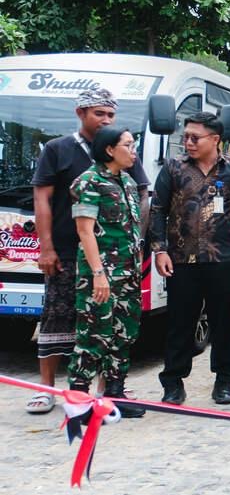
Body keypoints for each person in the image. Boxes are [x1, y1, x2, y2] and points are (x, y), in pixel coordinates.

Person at [26, 88, 149, 414]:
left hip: (118, 257)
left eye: (110, 114)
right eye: (99, 113)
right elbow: (43, 200)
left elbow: (142, 195)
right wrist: (46, 247)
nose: (106, 119)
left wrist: (138, 246)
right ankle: (48, 391)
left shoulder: (122, 163)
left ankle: (108, 396)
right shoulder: (59, 150)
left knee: (116, 327)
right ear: (80, 113)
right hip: (71, 251)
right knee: (64, 321)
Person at [150, 112, 230, 406]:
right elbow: (158, 209)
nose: (189, 143)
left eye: (196, 137)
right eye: (186, 137)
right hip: (181, 260)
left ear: (215, 139)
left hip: (223, 260)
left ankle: (224, 382)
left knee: (223, 323)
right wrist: (160, 250)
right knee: (179, 323)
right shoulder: (173, 168)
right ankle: (173, 383)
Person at [66, 126, 145, 418]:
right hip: (100, 274)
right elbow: (85, 231)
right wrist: (98, 274)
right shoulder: (89, 181)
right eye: (128, 145)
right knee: (93, 333)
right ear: (110, 149)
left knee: (124, 333)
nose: (133, 150)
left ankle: (114, 393)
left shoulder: (127, 181)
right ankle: (77, 401)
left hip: (128, 272)